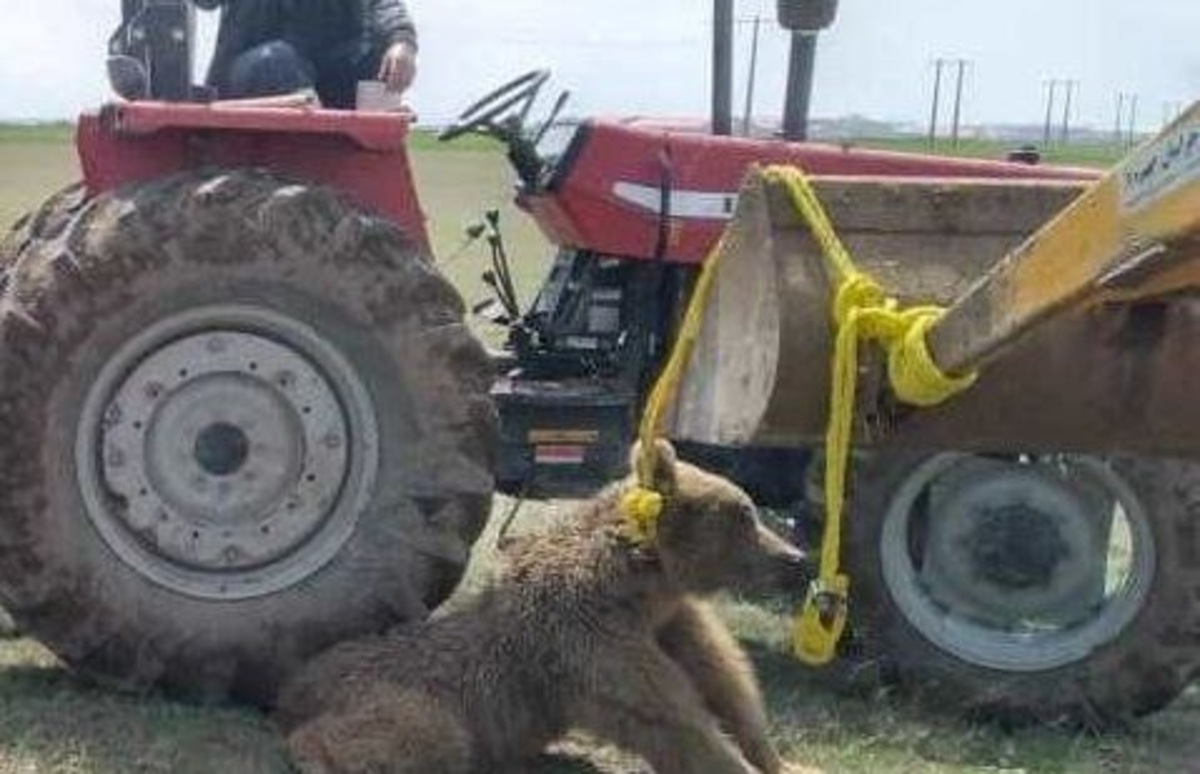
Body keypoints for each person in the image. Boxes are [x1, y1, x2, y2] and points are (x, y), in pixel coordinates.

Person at [195, 0, 418, 109]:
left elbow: (383, 5)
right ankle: (319, 148)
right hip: (252, 74)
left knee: (379, 56)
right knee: (276, 61)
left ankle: (371, 156)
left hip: (326, 72)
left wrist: (402, 41)